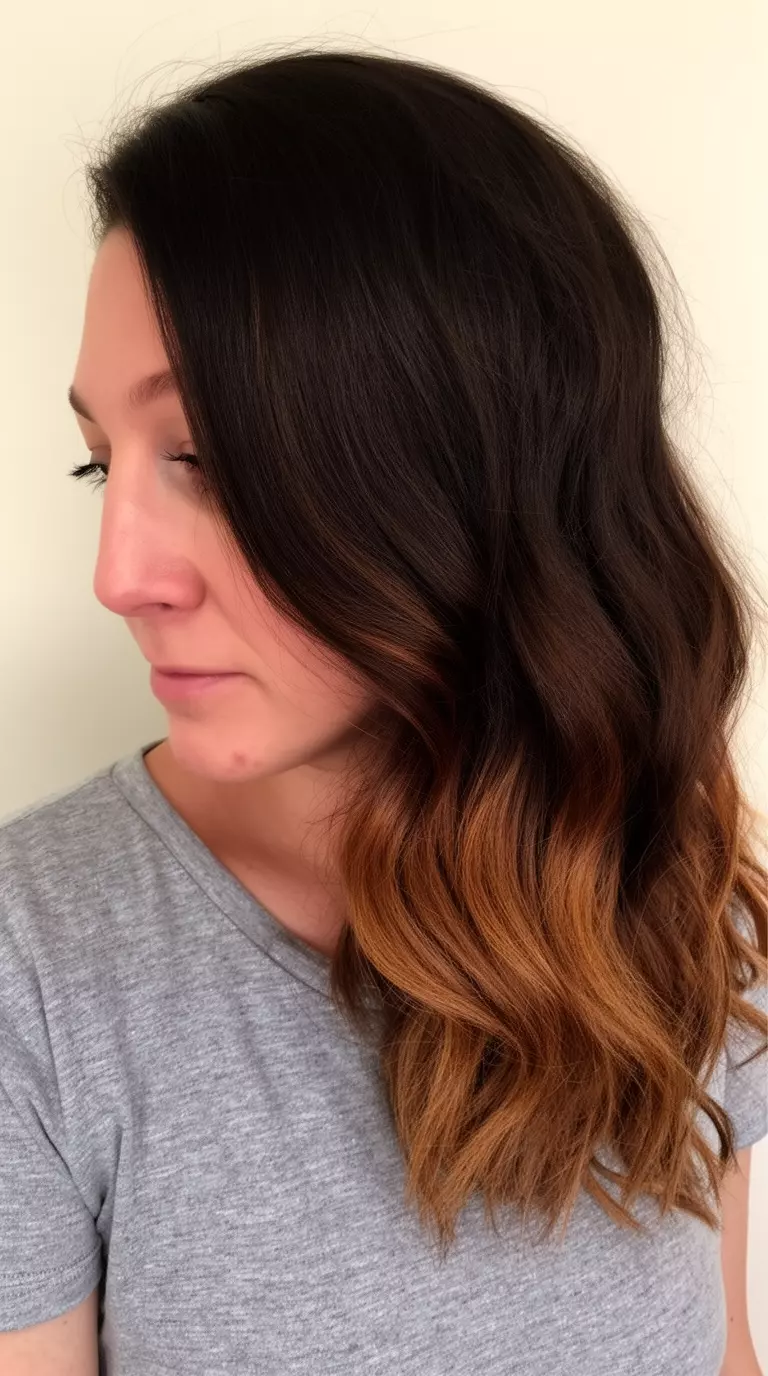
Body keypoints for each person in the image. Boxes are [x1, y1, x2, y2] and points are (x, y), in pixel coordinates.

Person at [0, 46, 766, 1376]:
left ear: (466, 469)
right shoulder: (35, 972)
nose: (118, 575)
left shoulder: (673, 874)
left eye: (206, 458)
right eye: (100, 460)